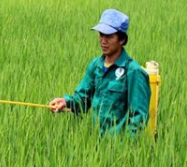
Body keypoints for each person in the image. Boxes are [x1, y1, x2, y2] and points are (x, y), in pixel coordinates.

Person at [49, 9, 151, 137]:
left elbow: (139, 118)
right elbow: (83, 99)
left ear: (122, 39)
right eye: (101, 34)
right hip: (95, 143)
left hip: (119, 147)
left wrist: (127, 147)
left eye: (109, 36)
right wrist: (66, 101)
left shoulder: (133, 72)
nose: (103, 40)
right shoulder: (95, 65)